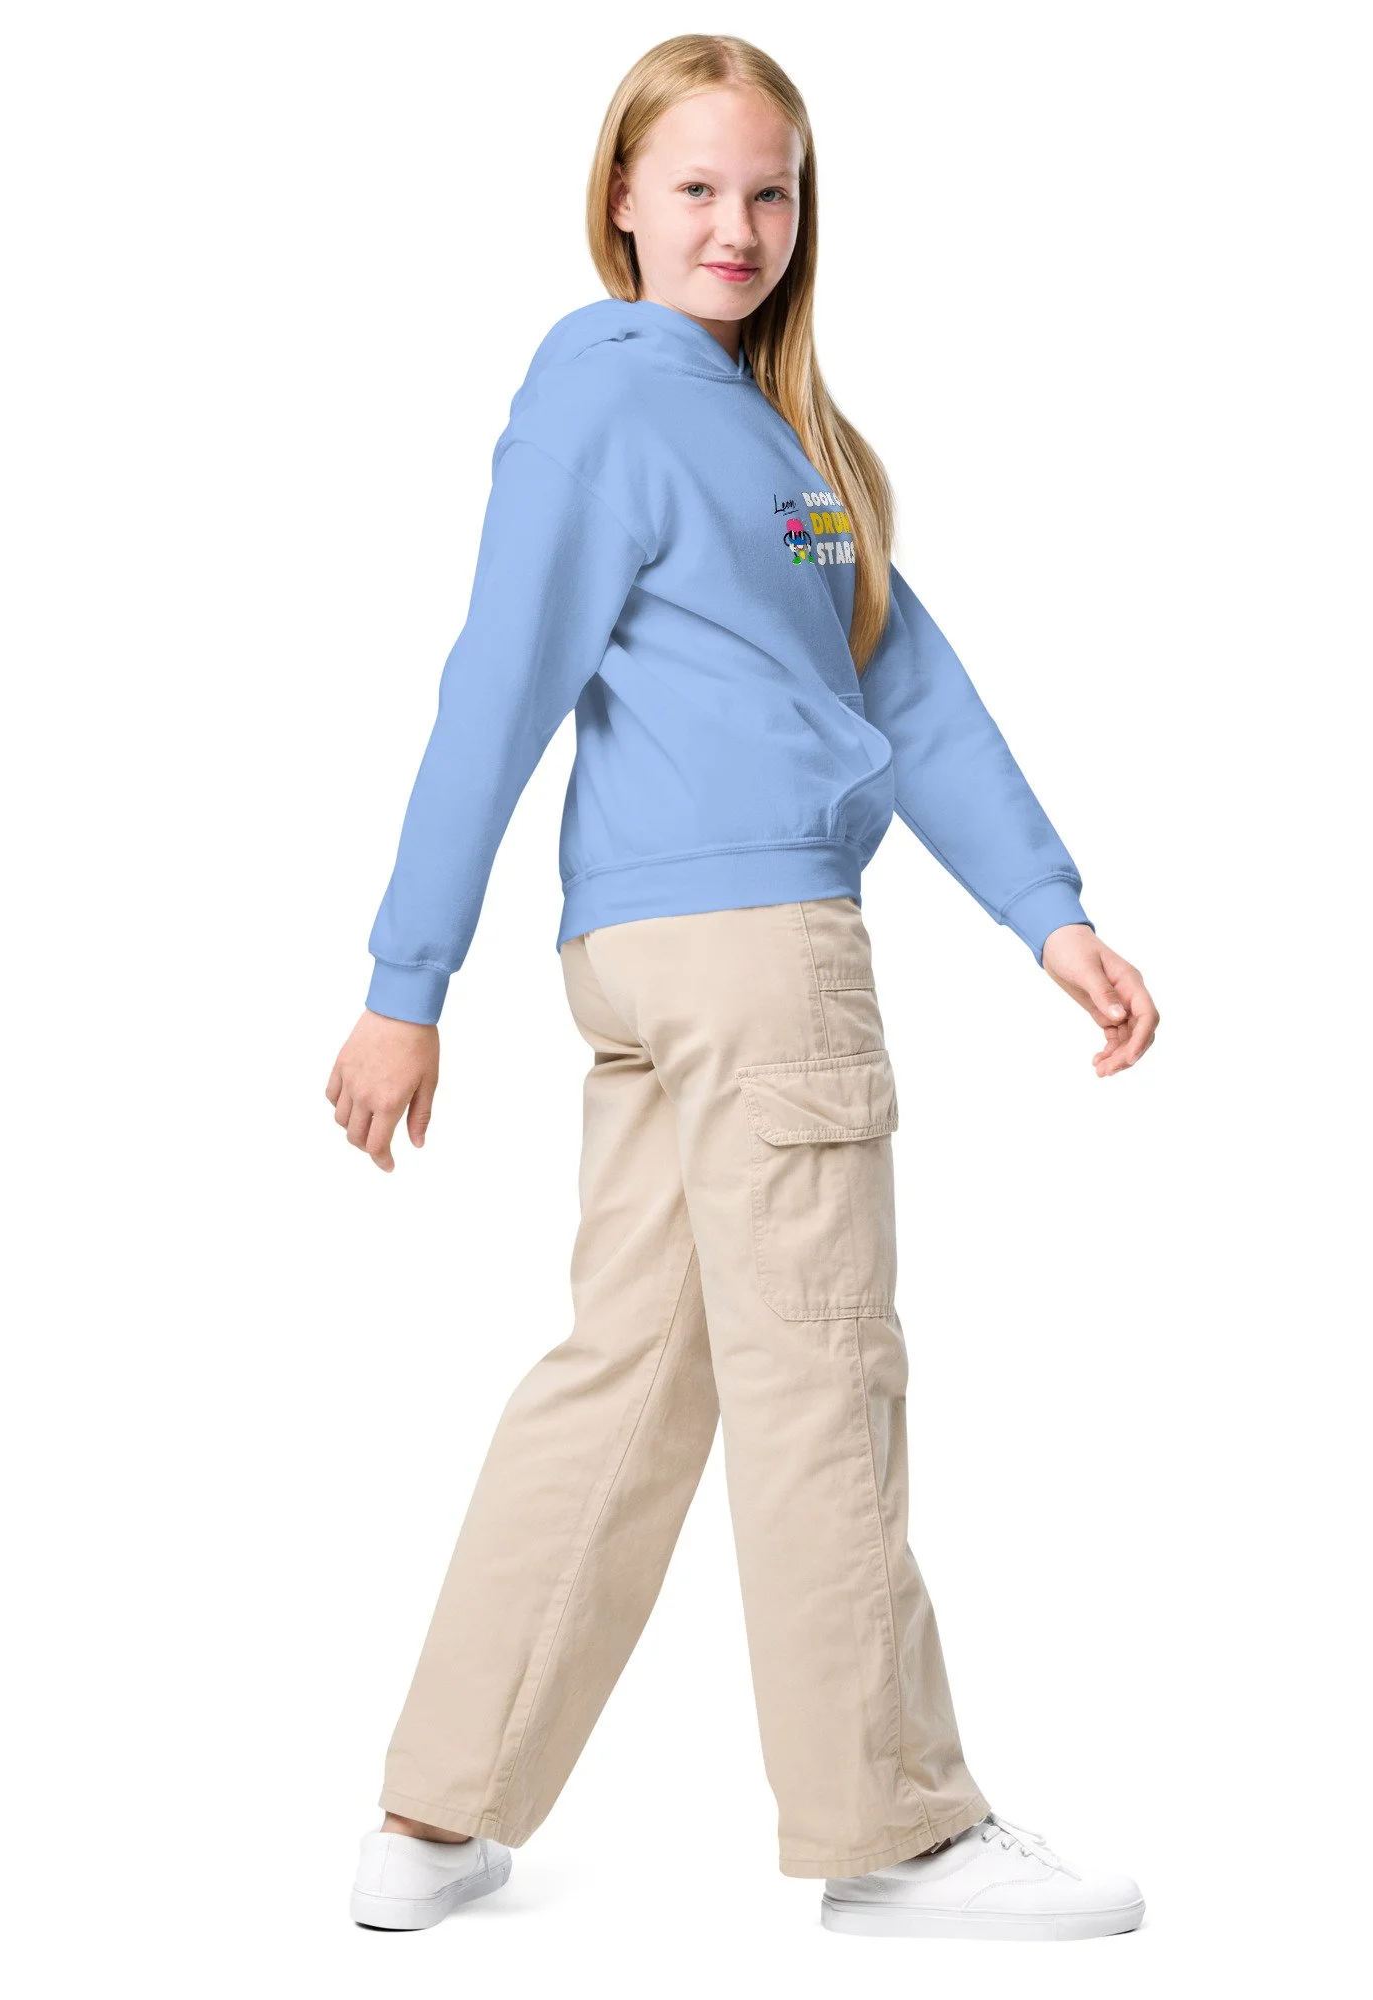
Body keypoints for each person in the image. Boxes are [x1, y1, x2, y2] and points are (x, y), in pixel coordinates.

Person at [329, 34, 1160, 1943]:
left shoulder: (786, 448)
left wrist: (1049, 915)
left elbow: (907, 686)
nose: (738, 224)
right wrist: (403, 978)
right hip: (755, 954)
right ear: (619, 198)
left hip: (656, 966)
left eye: (771, 191)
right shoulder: (610, 398)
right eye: (697, 186)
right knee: (823, 1369)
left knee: (634, 1372)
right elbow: (498, 681)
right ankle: (897, 1833)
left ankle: (435, 1811)